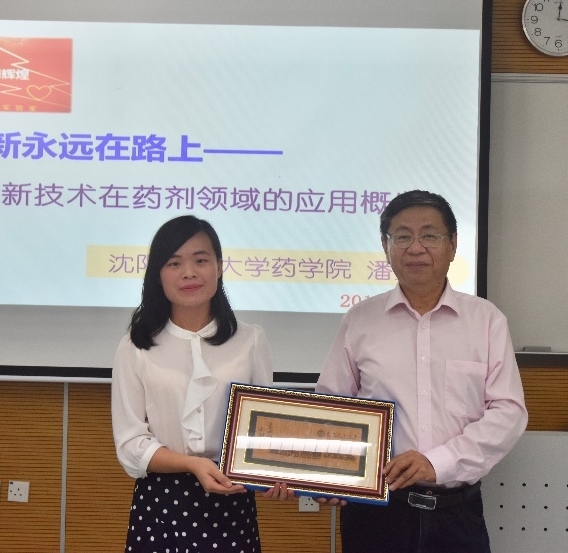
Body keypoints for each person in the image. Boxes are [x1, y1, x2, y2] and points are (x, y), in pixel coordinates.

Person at [316, 190, 527, 553]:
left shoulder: (486, 320)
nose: (415, 248)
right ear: (385, 246)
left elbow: (508, 412)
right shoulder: (360, 321)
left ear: (452, 244)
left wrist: (437, 462)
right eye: (402, 237)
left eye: (429, 235)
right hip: (376, 514)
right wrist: (329, 473)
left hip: (457, 515)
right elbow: (330, 408)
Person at [111, 215, 288, 553]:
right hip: (161, 504)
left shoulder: (250, 340)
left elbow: (266, 431)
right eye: (174, 263)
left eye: (201, 260)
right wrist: (193, 464)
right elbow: (131, 444)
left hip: (231, 500)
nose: (189, 273)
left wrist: (275, 474)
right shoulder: (135, 346)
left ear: (219, 267)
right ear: (158, 274)